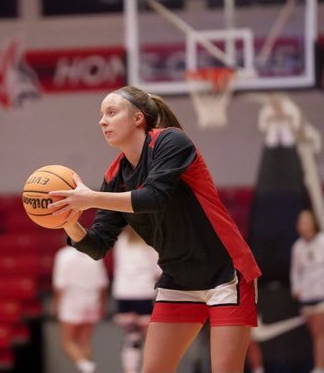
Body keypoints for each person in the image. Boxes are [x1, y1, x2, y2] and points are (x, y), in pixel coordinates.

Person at [48, 85, 262, 373]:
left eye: (111, 112)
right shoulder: (115, 175)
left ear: (138, 118)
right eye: (101, 115)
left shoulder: (170, 142)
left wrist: (89, 198)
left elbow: (155, 197)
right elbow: (97, 246)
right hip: (178, 278)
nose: (102, 121)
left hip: (225, 273)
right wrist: (68, 222)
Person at [52, 245, 109, 373]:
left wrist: (55, 304)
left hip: (71, 303)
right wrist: (101, 304)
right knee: (85, 343)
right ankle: (86, 366)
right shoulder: (94, 253)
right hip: (91, 302)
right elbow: (102, 284)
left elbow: (60, 284)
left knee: (67, 342)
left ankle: (86, 367)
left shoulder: (63, 255)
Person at [112, 225, 161, 373]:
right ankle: (149, 369)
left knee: (131, 336)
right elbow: (159, 269)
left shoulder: (120, 240)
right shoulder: (150, 240)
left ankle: (130, 369)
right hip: (144, 291)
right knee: (149, 338)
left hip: (123, 292)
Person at [290, 209, 324, 373]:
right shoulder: (297, 247)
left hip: (321, 295)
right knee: (315, 334)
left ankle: (319, 367)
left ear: (313, 223)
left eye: (306, 221)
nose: (302, 225)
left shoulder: (322, 241)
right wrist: (296, 289)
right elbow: (295, 271)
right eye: (300, 222)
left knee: (320, 333)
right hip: (307, 297)